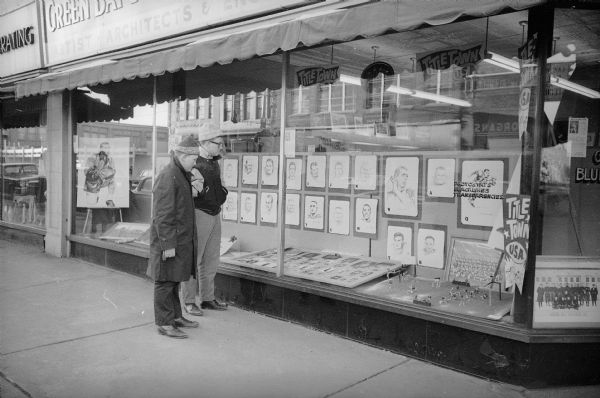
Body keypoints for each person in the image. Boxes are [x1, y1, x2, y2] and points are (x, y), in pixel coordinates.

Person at [149, 136, 200, 339]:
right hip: (169, 242)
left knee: (174, 280)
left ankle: (175, 316)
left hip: (179, 240)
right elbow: (162, 214)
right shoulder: (169, 175)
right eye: (194, 159)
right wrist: (168, 245)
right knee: (165, 282)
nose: (195, 163)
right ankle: (164, 323)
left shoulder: (179, 173)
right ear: (182, 155)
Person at [181, 124, 229, 316]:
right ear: (206, 143)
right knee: (194, 259)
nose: (221, 147)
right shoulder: (194, 161)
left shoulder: (213, 161)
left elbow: (221, 185)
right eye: (218, 143)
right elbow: (191, 191)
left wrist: (222, 192)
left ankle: (208, 298)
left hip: (214, 213)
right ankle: (189, 301)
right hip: (200, 213)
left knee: (211, 260)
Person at [84, 141, 116, 207]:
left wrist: (105, 175)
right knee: (92, 203)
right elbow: (86, 171)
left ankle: (109, 199)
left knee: (113, 180)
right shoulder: (92, 157)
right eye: (105, 148)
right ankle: (96, 196)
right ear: (100, 148)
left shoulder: (110, 159)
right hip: (93, 182)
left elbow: (113, 171)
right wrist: (97, 167)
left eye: (108, 148)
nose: (107, 150)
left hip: (103, 180)